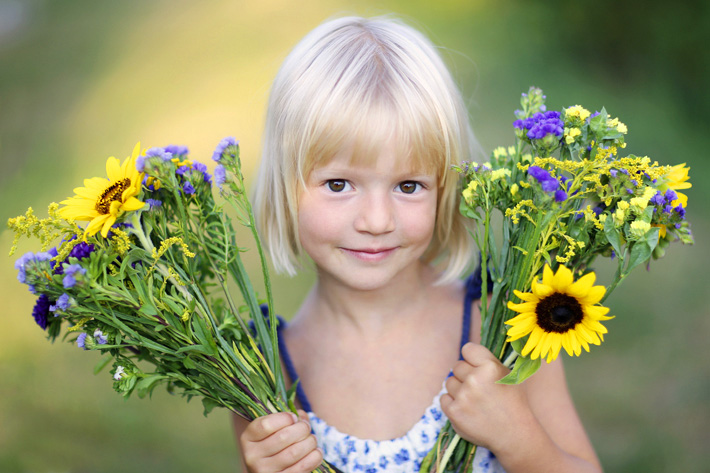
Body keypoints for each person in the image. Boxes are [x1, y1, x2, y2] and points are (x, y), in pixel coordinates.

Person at [232, 15, 603, 473]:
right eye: (339, 183)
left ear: (444, 190)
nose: (376, 220)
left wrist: (519, 437)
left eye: (408, 186)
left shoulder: (507, 322)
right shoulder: (263, 368)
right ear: (285, 188)